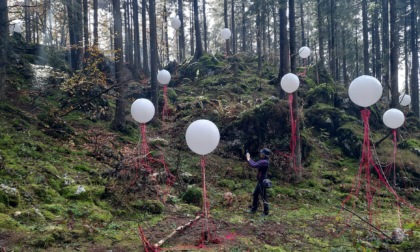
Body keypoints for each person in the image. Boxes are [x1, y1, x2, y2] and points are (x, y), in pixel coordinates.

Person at [246, 148, 271, 216]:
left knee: (264, 197)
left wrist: (248, 158)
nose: (260, 154)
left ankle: (266, 213)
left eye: (262, 153)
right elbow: (254, 163)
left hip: (262, 182)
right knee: (255, 194)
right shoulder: (264, 160)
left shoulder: (265, 162)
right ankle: (253, 209)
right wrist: (249, 158)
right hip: (260, 181)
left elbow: (253, 165)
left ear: (264, 155)